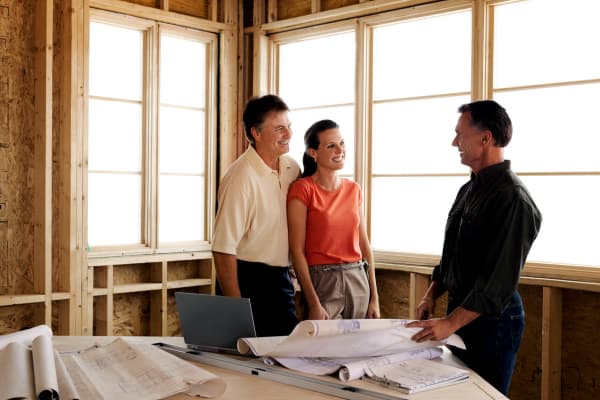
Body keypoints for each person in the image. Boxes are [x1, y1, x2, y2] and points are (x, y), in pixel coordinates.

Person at [406, 100, 542, 395]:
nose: (454, 141)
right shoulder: (468, 189)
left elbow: (497, 283)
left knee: (482, 395)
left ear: (485, 138)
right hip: (459, 312)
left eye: (460, 134)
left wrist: (450, 323)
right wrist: (432, 292)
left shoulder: (513, 199)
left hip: (494, 321)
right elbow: (452, 253)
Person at [212, 94, 300, 337]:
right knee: (246, 361)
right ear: (256, 133)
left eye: (289, 127)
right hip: (247, 280)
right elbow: (222, 249)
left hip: (281, 280)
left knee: (284, 357)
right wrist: (235, 311)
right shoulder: (240, 178)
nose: (289, 134)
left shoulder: (292, 168)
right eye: (280, 128)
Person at [287, 119, 380, 320]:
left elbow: (365, 246)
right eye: (331, 146)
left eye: (342, 143)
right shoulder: (303, 189)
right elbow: (296, 250)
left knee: (358, 347)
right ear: (313, 153)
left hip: (357, 277)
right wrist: (313, 302)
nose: (340, 150)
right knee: (323, 348)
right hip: (322, 281)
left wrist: (374, 298)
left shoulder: (353, 189)